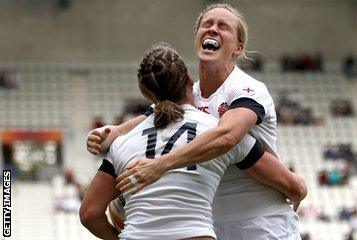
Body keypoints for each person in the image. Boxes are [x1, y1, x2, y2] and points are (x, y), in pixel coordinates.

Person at [86, 4, 305, 239]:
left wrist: (162, 164)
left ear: (238, 48)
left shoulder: (246, 89)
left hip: (259, 221)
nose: (213, 29)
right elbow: (150, 117)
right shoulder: (190, 94)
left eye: (223, 27)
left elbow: (227, 136)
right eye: (207, 24)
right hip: (211, 222)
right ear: (197, 37)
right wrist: (112, 132)